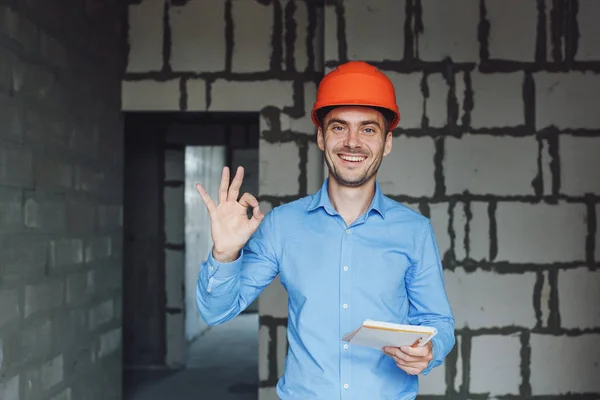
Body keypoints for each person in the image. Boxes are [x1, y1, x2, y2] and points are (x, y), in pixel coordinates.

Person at [195, 61, 455, 399]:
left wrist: (429, 350)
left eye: (368, 129)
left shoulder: (413, 231)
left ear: (387, 142)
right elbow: (215, 312)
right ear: (321, 136)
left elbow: (439, 322)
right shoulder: (281, 226)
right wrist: (225, 253)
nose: (352, 142)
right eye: (339, 128)